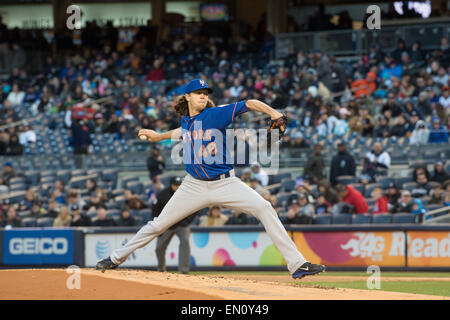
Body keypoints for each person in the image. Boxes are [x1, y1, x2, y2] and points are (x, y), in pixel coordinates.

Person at [96, 79, 325, 278]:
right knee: (157, 225)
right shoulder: (187, 121)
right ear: (187, 96)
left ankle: (297, 265)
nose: (204, 97)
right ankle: (115, 259)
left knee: (264, 208)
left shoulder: (216, 114)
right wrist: (157, 137)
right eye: (199, 93)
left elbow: (249, 103)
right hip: (193, 186)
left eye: (206, 94)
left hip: (226, 183)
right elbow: (179, 132)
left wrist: (274, 113)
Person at [153, 176, 196, 274]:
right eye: (175, 185)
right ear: (171, 185)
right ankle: (161, 269)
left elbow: (195, 208)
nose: (177, 187)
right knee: (159, 248)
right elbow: (155, 209)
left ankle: (184, 271)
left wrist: (187, 221)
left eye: (179, 185)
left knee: (185, 243)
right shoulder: (163, 194)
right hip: (167, 225)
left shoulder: (186, 194)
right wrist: (157, 224)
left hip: (182, 225)